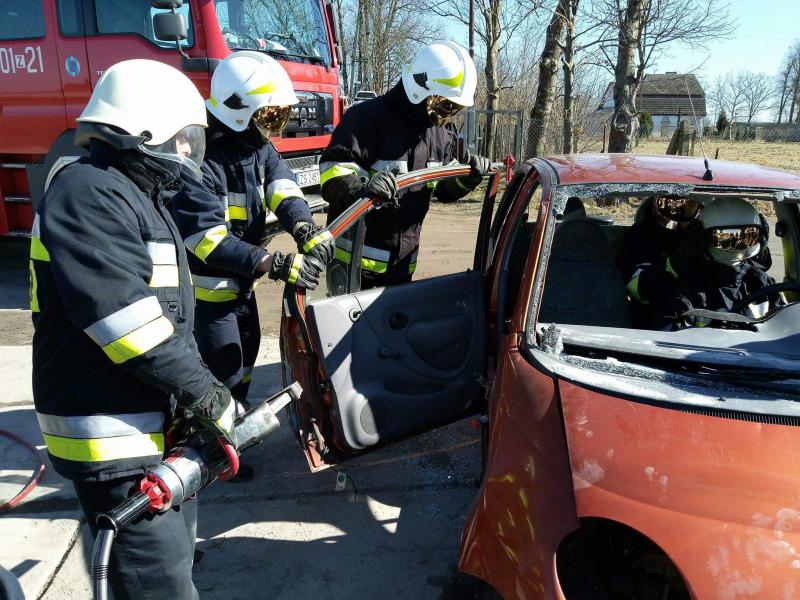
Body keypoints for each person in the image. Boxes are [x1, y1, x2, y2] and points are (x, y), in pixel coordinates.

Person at [30, 60, 234, 599]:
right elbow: (128, 323)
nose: (187, 152)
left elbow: (169, 316)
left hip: (144, 423)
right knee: (157, 587)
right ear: (145, 131)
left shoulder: (130, 194)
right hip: (112, 437)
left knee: (174, 568)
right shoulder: (89, 193)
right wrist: (204, 392)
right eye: (182, 138)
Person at [171, 51, 331, 410]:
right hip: (209, 299)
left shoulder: (255, 145)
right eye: (270, 116)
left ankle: (235, 427)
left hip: (242, 288)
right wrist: (273, 263)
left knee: (245, 361)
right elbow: (207, 241)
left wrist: (304, 226)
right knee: (222, 373)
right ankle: (211, 440)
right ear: (238, 111)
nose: (276, 127)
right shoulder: (199, 159)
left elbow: (282, 186)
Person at [319, 41, 491, 289]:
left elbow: (443, 190)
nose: (448, 115)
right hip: (353, 268)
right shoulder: (366, 119)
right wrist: (362, 189)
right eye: (445, 105)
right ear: (419, 89)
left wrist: (466, 178)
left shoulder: (439, 136)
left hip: (402, 267)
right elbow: (333, 175)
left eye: (454, 108)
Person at [629, 197, 781, 329]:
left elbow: (786, 328)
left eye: (747, 237)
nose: (735, 246)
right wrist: (676, 264)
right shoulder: (683, 286)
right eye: (725, 238)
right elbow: (638, 291)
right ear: (701, 237)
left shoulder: (761, 283)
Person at [617, 195, 702, 328]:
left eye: (687, 205)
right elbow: (637, 285)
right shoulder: (639, 236)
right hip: (652, 324)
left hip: (696, 327)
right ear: (654, 204)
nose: (676, 209)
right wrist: (676, 264)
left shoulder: (701, 242)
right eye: (667, 202)